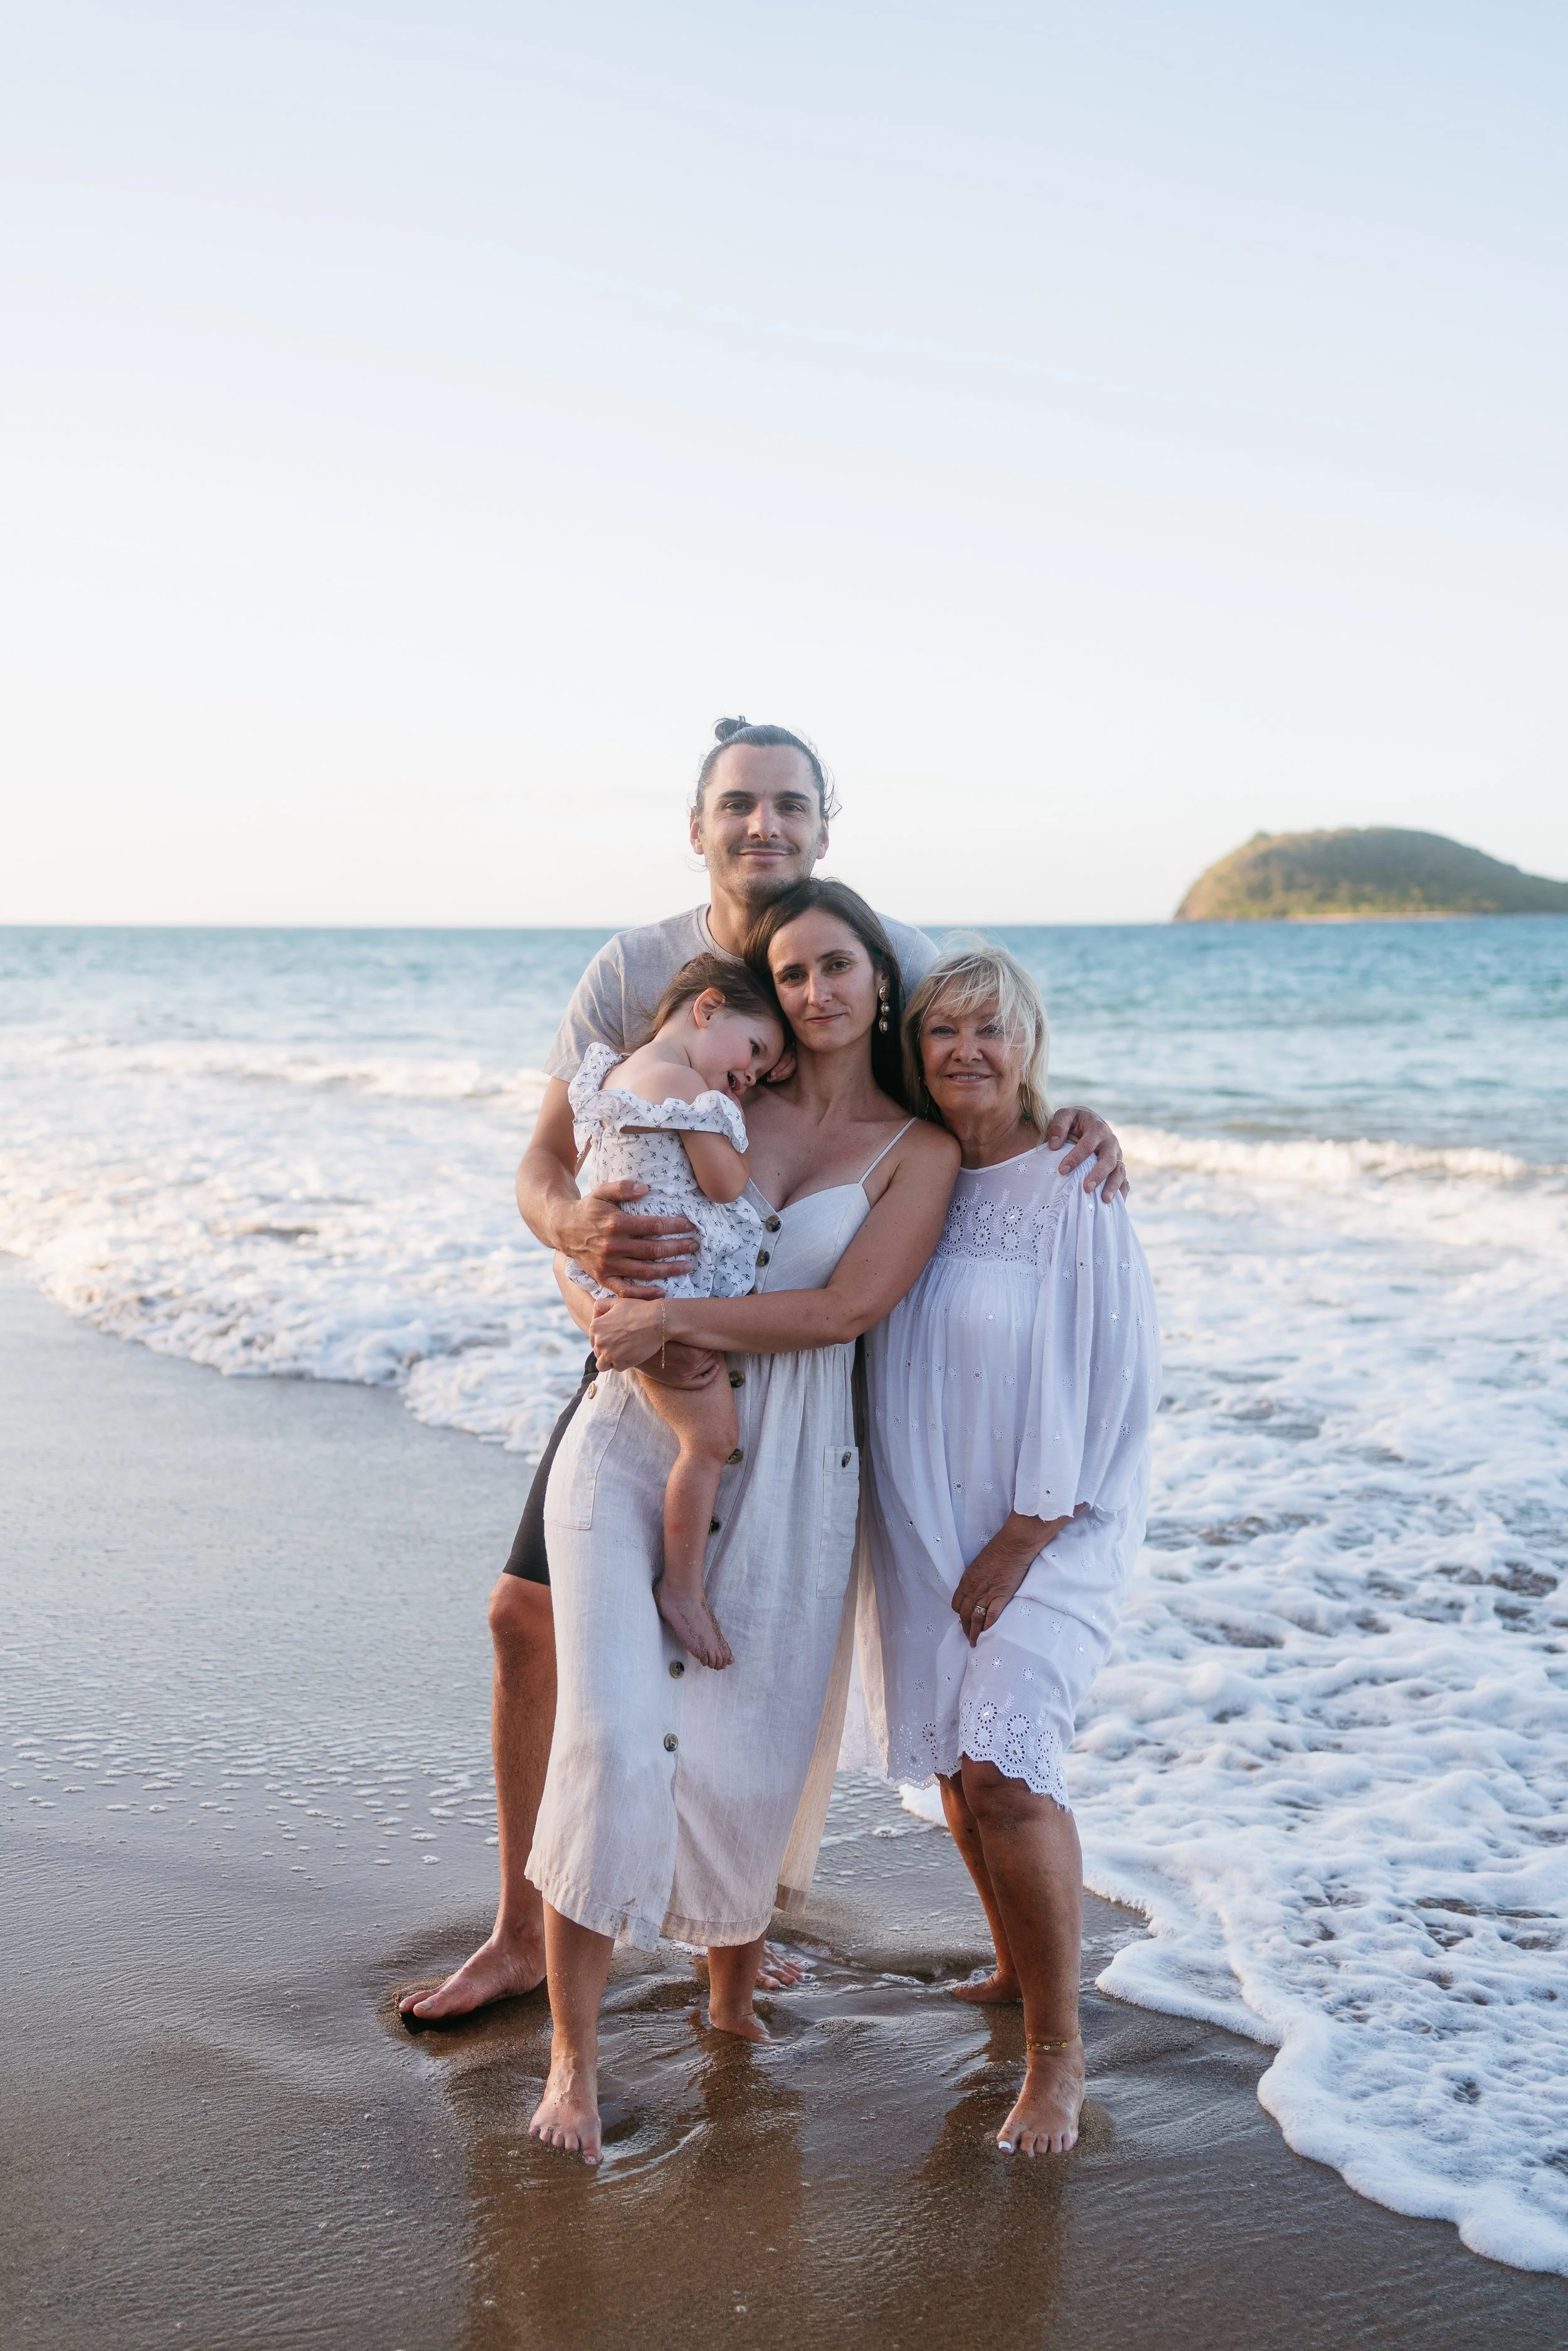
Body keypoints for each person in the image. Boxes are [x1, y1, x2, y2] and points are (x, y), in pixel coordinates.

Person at [398, 719, 1128, 2024]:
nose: (762, 824)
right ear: (696, 825)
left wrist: (1069, 1120)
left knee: (764, 1654)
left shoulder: (878, 952)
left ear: (823, 826)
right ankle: (523, 1928)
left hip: (806, 1360)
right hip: (642, 1328)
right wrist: (580, 1256)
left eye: (788, 803)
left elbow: (973, 1079)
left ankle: (736, 1925)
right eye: (737, 802)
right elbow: (545, 1166)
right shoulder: (633, 968)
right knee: (525, 1615)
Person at [527, 882, 960, 2163]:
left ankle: (727, 2000)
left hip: (794, 1465)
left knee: (747, 1750)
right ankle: (571, 2058)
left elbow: (843, 1312)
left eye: (839, 967)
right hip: (634, 1435)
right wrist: (588, 1287)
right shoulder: (715, 1090)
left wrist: (672, 1319)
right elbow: (594, 1214)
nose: (816, 994)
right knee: (607, 1734)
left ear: (879, 983)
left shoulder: (919, 1143)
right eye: (793, 973)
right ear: (755, 995)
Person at [861, 938, 1160, 2158]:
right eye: (942, 1030)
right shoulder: (915, 1171)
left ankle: (1056, 2054)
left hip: (1051, 1522)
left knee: (1005, 1772)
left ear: (1030, 1047)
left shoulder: (1074, 1184)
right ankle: (1009, 1959)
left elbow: (1119, 1382)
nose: (967, 1050)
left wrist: (1027, 1531)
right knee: (948, 1758)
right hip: (927, 1509)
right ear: (913, 1050)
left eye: (992, 1029)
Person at [562, 955, 787, 1669]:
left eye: (761, 1074)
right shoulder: (688, 1091)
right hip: (667, 1296)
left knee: (698, 1435)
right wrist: (723, 1125)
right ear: (708, 1007)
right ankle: (682, 1588)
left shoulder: (613, 1077)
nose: (747, 1077)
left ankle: (675, 1581)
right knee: (712, 1440)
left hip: (617, 1285)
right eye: (753, 1052)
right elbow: (724, 1185)